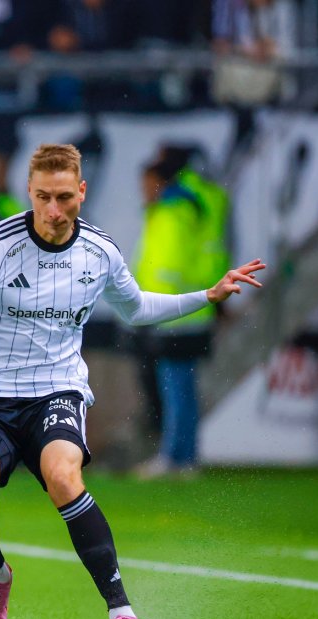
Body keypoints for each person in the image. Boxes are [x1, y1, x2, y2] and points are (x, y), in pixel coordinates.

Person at [0, 144, 263, 619]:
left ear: (81, 191)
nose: (54, 212)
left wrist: (205, 295)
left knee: (63, 474)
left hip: (57, 390)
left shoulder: (99, 251)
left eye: (63, 198)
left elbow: (137, 307)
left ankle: (121, 611)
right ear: (29, 194)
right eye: (42, 198)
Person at [133, 156, 223, 478]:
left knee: (175, 389)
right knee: (181, 387)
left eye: (146, 182)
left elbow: (166, 266)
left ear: (161, 181)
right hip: (185, 311)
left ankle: (174, 456)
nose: (142, 190)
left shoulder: (173, 212)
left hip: (175, 313)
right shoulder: (189, 206)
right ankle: (186, 456)